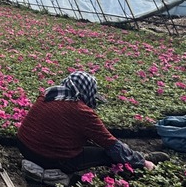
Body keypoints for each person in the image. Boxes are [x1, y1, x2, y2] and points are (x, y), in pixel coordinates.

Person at [17, 71, 164, 174]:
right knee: (107, 154)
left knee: (93, 144)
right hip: (49, 158)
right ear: (86, 92)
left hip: (24, 147)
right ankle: (142, 160)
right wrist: (143, 163)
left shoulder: (48, 94)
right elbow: (111, 144)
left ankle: (137, 156)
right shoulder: (81, 111)